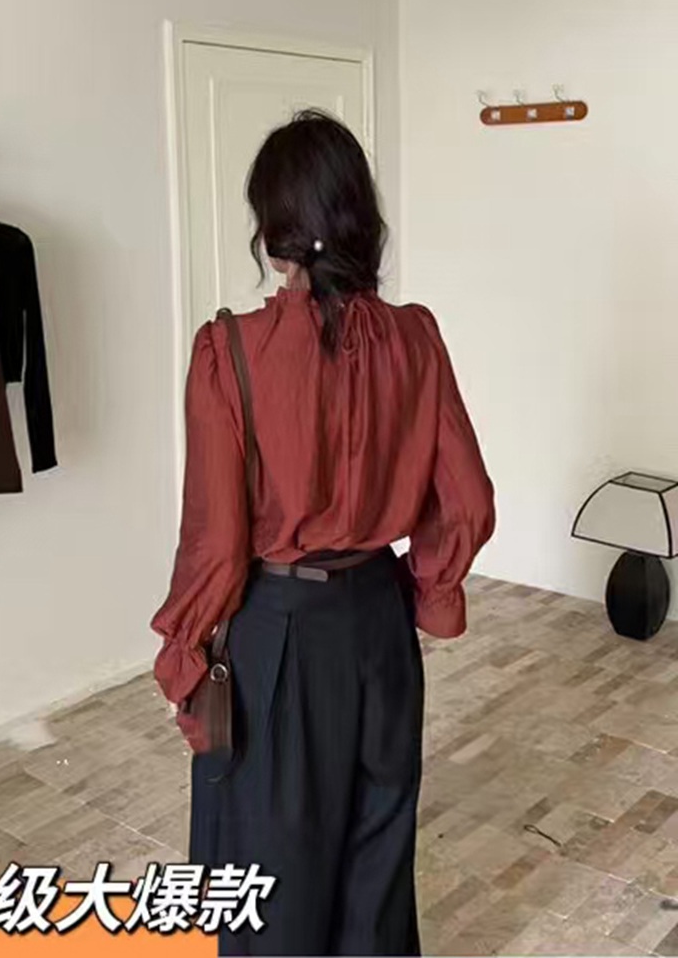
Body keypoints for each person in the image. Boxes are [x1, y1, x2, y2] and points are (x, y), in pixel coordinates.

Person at [150, 108, 496, 956]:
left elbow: (216, 542)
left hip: (277, 632)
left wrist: (184, 652)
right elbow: (466, 498)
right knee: (377, 850)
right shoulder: (416, 336)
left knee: (267, 871)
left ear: (272, 230)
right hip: (378, 621)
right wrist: (430, 589)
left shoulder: (228, 351)